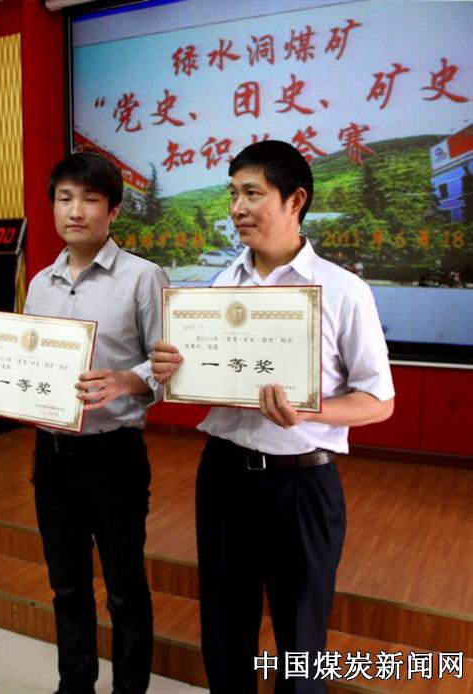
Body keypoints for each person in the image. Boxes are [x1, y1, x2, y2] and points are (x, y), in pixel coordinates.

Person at [152, 140, 395, 694]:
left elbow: (379, 401)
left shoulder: (343, 290)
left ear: (295, 200)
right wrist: (177, 369)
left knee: (301, 640)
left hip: (302, 483)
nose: (237, 208)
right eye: (232, 194)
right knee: (224, 628)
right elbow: (212, 377)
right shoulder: (222, 285)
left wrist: (309, 411)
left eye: (252, 194)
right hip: (224, 475)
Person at [0, 152, 168, 694]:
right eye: (65, 198)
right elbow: (27, 365)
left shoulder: (143, 278)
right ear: (53, 206)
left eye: (90, 199)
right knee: (67, 585)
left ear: (113, 210)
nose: (76, 211)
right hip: (52, 458)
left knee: (124, 588)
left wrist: (126, 380)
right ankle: (74, 685)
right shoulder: (41, 284)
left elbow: (169, 367)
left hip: (114, 455)